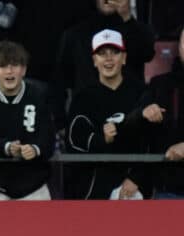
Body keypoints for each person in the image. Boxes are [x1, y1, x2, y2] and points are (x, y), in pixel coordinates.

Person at [66, 29, 162, 200]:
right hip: (95, 187)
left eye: (114, 52)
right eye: (102, 54)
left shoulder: (141, 92)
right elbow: (74, 140)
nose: (109, 58)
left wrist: (136, 178)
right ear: (95, 61)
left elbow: (153, 142)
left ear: (124, 58)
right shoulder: (83, 97)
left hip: (133, 187)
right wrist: (102, 139)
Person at [53, 0, 155, 128]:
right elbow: (60, 82)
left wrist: (127, 17)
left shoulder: (134, 29)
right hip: (89, 119)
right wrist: (60, 122)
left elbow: (147, 53)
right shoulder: (74, 35)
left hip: (128, 121)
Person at [0, 41, 54, 200]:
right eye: (3, 66)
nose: (9, 71)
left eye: (15, 65)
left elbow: (49, 137)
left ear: (23, 69)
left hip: (34, 188)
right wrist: (7, 148)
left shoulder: (39, 96)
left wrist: (35, 149)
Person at [148, 26, 184, 199]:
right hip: (168, 190)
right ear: (180, 46)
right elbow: (132, 124)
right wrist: (143, 113)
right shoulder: (160, 85)